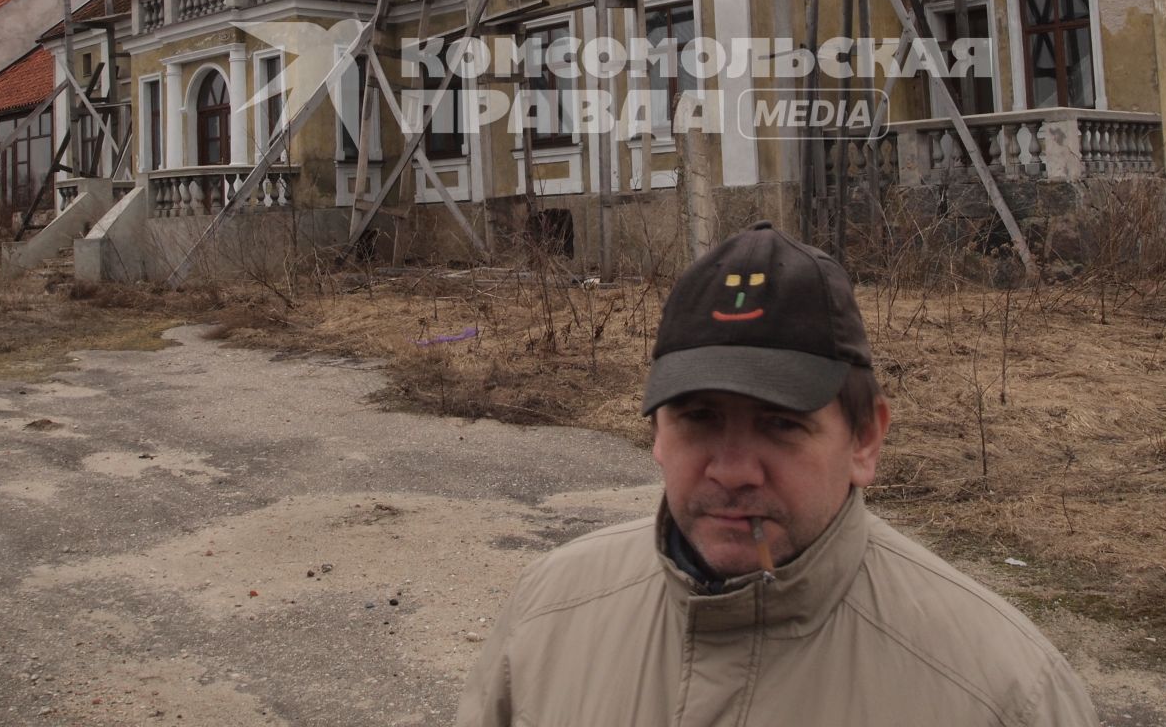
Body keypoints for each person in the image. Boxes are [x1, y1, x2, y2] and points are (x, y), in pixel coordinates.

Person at [456, 220, 1097, 726]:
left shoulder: (1004, 693)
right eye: (699, 418)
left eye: (782, 424)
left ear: (865, 439)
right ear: (656, 433)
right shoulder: (548, 614)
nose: (733, 472)